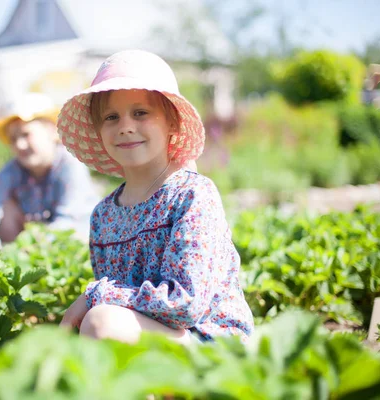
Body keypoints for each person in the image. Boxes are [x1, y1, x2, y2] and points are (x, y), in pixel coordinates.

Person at [57, 50, 254, 345]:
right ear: (98, 132)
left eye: (140, 113)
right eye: (111, 117)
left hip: (212, 346)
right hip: (151, 340)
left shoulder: (191, 195)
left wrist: (97, 295)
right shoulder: (103, 214)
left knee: (101, 321)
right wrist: (99, 300)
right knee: (97, 324)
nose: (125, 125)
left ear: (172, 122)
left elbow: (185, 305)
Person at [0, 93, 101, 248]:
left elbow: (68, 223)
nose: (20, 145)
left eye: (26, 134)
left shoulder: (69, 165)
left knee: (77, 237)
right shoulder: (12, 171)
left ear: (52, 131)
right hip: (34, 242)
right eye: (13, 139)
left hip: (78, 237)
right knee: (5, 207)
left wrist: (30, 246)